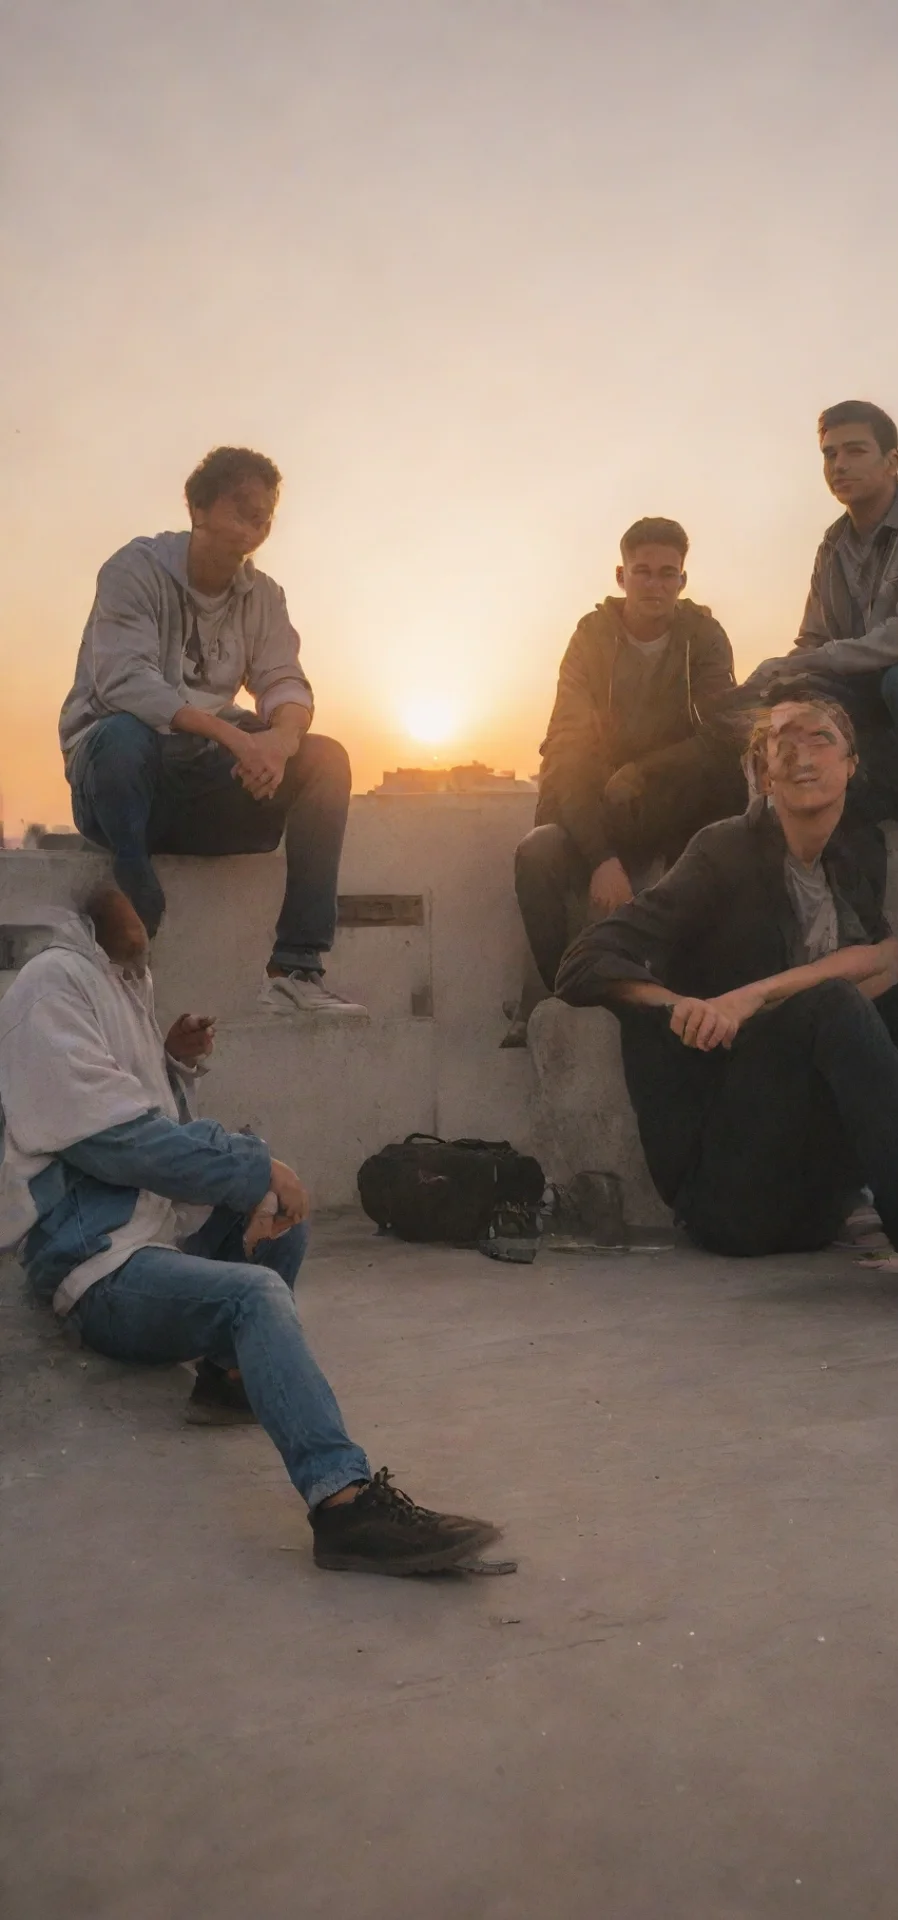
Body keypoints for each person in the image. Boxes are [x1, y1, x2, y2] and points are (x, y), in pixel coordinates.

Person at [0, 887, 502, 1575]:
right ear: (93, 899)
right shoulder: (50, 985)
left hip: (148, 1241)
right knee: (255, 1292)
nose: (147, 909)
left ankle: (228, 1380)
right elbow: (120, 1143)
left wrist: (173, 1064)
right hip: (98, 1271)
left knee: (279, 1216)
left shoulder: (120, 984)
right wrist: (255, 1164)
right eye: (131, 894)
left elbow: (150, 1122)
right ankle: (344, 1506)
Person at [555, 688, 898, 1289]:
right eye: (781, 742)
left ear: (850, 766)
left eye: (821, 738)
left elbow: (883, 959)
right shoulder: (723, 852)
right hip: (728, 1196)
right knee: (832, 1006)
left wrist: (757, 994)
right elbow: (582, 961)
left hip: (816, 1204)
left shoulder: (856, 853)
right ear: (763, 773)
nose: (801, 755)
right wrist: (676, 1005)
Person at [60, 446, 363, 1015]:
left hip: (203, 795)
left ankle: (295, 970)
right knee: (122, 737)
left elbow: (285, 681)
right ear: (199, 507)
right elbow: (127, 682)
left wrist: (280, 741)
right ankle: (135, 916)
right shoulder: (135, 569)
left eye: (267, 513)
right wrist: (236, 738)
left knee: (326, 759)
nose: (258, 523)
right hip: (121, 789)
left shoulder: (263, 596)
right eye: (243, 506)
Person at [506, 517, 747, 1042]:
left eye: (667, 574)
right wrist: (601, 858)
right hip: (596, 808)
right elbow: (566, 749)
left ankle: (698, 989)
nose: (655, 586)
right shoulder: (590, 637)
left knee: (726, 790)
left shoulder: (702, 635)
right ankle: (556, 999)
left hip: (674, 804)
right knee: (537, 853)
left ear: (683, 581)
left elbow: (722, 737)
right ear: (621, 575)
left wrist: (643, 769)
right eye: (643, 573)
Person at [744, 402, 898, 821]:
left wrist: (811, 661)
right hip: (867, 719)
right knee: (782, 692)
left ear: (892, 461)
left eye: (855, 451)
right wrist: (778, 675)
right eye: (830, 454)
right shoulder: (834, 544)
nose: (839, 465)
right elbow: (813, 641)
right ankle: (786, 812)